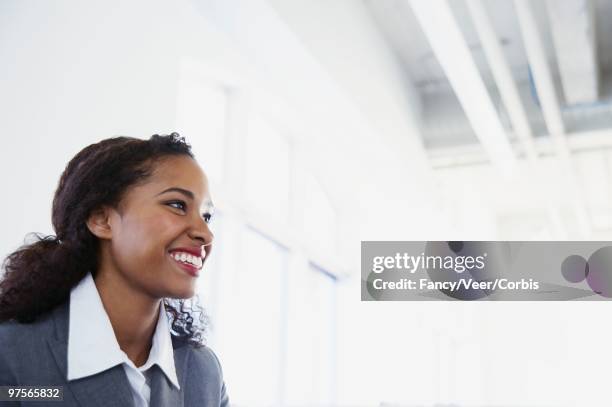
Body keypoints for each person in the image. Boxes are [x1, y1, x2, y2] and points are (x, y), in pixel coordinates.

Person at [0, 133, 229, 406]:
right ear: (102, 220)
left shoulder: (203, 373)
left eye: (206, 217)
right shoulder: (13, 355)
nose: (205, 234)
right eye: (177, 205)